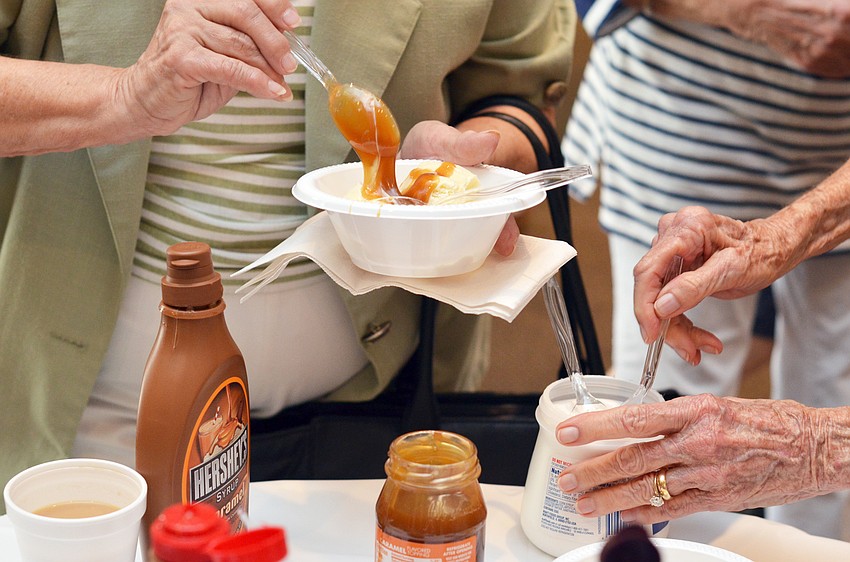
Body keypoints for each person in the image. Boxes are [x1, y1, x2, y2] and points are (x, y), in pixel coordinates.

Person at [0, 0, 576, 510]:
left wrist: (460, 166)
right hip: (96, 420)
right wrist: (124, 96)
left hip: (371, 416)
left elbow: (518, 91)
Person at [562, 0, 850, 538]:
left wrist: (817, 443)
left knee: (829, 392)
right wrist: (745, 9)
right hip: (676, 125)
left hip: (836, 146)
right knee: (670, 415)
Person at [553, 156, 850, 530]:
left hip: (827, 148)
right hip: (676, 153)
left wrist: (817, 447)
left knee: (817, 405)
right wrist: (774, 239)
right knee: (672, 439)